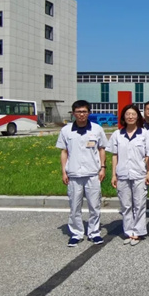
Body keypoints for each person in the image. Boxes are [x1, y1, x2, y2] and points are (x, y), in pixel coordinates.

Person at [56, 100, 108, 247]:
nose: (81, 114)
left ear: (89, 113)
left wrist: (103, 167)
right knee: (74, 206)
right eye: (78, 112)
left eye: (84, 111)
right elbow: (64, 151)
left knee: (94, 205)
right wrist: (64, 171)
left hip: (93, 173)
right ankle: (76, 233)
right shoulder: (66, 130)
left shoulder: (97, 129)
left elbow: (102, 149)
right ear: (73, 113)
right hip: (74, 174)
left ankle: (94, 233)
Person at [108, 104, 149, 246]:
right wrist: (113, 175)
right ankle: (129, 231)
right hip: (122, 174)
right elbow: (115, 155)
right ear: (123, 117)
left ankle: (138, 232)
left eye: (133, 114)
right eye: (128, 114)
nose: (130, 117)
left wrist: (148, 173)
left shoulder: (144, 134)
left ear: (138, 117)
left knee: (139, 204)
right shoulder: (117, 134)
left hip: (139, 174)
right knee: (125, 205)